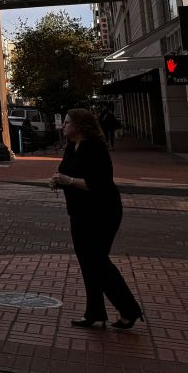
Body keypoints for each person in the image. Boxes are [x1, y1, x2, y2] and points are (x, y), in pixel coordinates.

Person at [50, 108, 143, 330]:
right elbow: (66, 174)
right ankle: (95, 313)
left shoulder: (95, 147)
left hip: (102, 212)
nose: (63, 125)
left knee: (98, 262)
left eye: (67, 122)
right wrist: (58, 180)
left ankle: (129, 310)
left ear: (80, 126)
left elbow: (99, 183)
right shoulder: (71, 147)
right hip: (79, 213)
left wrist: (69, 181)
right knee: (87, 263)